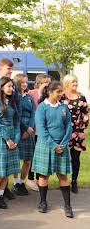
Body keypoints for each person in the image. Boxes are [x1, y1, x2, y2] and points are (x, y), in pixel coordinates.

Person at [32, 81, 73, 218]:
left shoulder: (63, 108)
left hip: (62, 146)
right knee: (44, 175)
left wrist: (63, 144)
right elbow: (41, 130)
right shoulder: (42, 108)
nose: (61, 94)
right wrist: (53, 146)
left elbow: (68, 126)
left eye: (62, 91)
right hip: (46, 146)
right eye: (58, 91)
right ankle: (43, 202)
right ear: (50, 92)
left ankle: (67, 206)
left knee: (63, 175)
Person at [0, 58, 21, 200]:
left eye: (12, 87)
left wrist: (16, 139)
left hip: (13, 138)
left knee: (7, 170)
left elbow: (17, 121)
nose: (12, 89)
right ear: (1, 87)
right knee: (0, 172)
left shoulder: (12, 102)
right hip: (1, 138)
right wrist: (7, 139)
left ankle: (0, 197)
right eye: (9, 87)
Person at [60, 74, 88, 194]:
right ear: (67, 83)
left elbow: (85, 115)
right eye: (73, 82)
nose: (75, 84)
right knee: (63, 158)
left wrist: (83, 130)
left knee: (75, 158)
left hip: (77, 133)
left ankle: (74, 182)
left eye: (76, 82)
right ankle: (63, 181)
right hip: (63, 133)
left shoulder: (81, 97)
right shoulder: (61, 97)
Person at [27, 74, 51, 191]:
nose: (48, 84)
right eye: (46, 82)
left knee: (41, 156)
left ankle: (38, 179)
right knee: (32, 155)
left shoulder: (49, 95)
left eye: (49, 82)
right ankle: (30, 178)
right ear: (39, 83)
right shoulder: (31, 93)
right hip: (33, 129)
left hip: (44, 131)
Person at [13, 74, 35, 196]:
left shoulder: (29, 98)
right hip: (18, 130)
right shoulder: (14, 97)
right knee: (16, 159)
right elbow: (16, 115)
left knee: (27, 160)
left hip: (29, 131)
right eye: (22, 82)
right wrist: (25, 129)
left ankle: (22, 182)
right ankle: (15, 183)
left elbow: (33, 113)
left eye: (26, 82)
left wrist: (29, 128)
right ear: (18, 83)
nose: (25, 85)